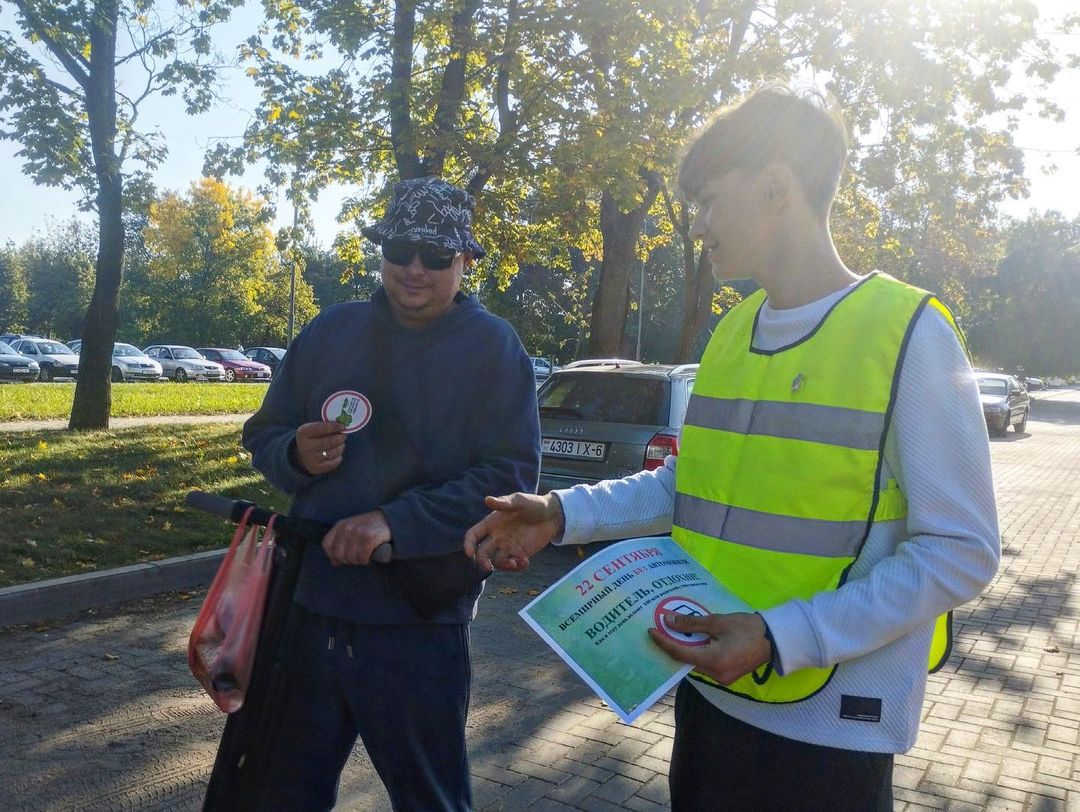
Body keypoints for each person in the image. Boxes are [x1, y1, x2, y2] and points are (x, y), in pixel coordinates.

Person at [464, 86, 999, 810]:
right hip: (711, 695)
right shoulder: (730, 332)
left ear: (775, 186)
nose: (699, 226)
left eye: (710, 200)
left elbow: (962, 549)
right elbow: (688, 484)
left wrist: (781, 636)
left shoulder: (910, 333)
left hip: (830, 734)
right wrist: (562, 513)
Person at [243, 177, 540, 810]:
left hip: (418, 620)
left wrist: (394, 522)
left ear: (465, 260)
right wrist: (292, 452)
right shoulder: (331, 330)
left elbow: (510, 478)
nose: (413, 268)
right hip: (312, 606)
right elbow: (264, 433)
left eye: (436, 257)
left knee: (430, 799)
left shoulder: (494, 347)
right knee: (283, 793)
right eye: (400, 249)